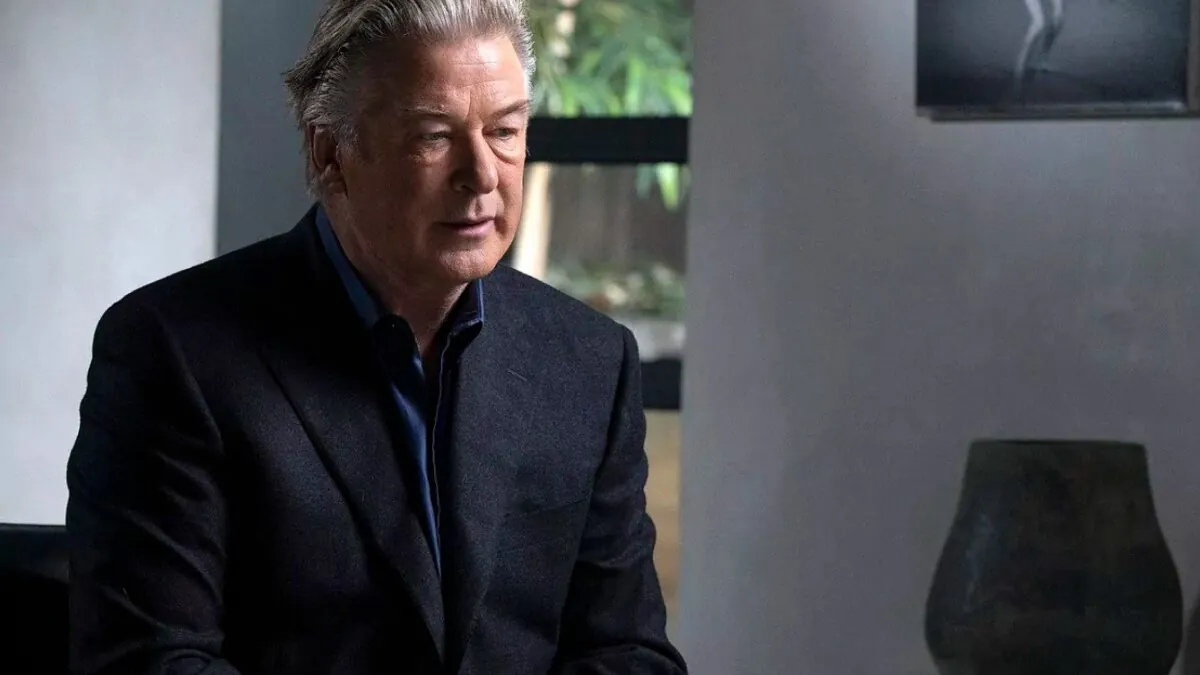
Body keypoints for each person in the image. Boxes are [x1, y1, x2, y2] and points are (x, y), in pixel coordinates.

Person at [65, 1, 686, 673]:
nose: (483, 174)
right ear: (330, 153)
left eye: (505, 130)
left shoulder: (590, 360)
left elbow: (628, 652)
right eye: (434, 136)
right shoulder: (171, 352)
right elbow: (151, 660)